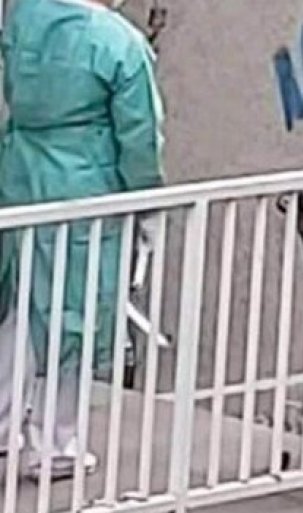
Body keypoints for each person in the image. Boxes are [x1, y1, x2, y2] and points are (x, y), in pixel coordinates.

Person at [0, 0, 164, 479]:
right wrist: (147, 203)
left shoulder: (22, 19)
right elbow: (140, 138)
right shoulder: (118, 41)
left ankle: (4, 424)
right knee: (73, 314)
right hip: (83, 186)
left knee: (16, 308)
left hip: (18, 174)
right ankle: (56, 444)